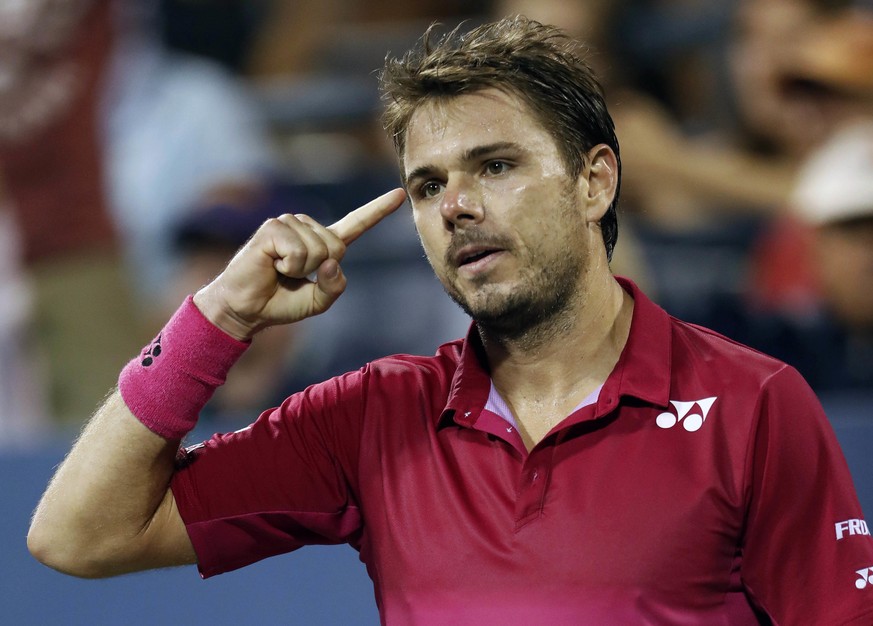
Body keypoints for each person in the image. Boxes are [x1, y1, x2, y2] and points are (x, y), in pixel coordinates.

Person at [27, 16, 873, 624]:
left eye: (495, 165)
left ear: (594, 182)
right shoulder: (371, 415)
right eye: (428, 185)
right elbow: (78, 536)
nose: (457, 206)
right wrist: (216, 317)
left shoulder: (755, 403)